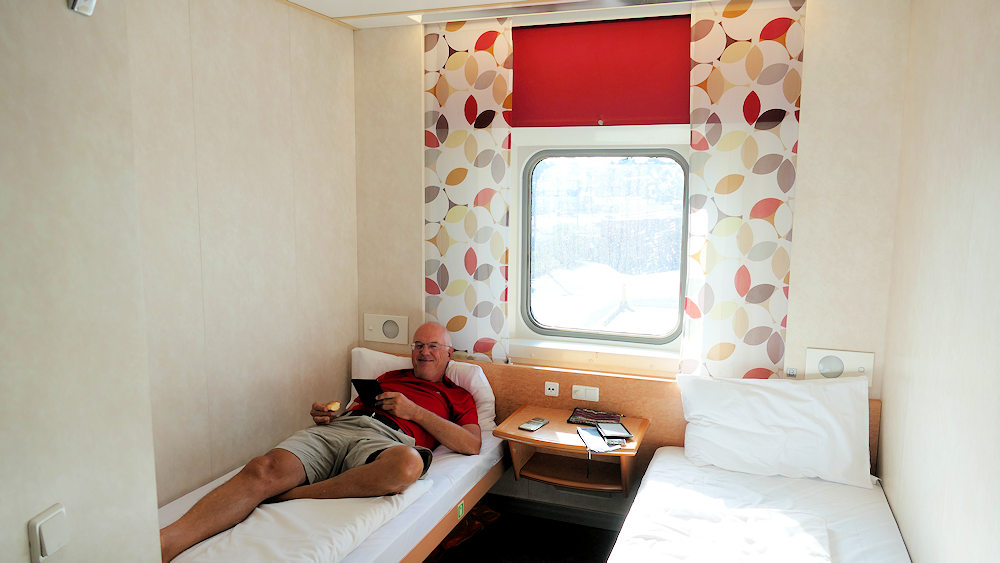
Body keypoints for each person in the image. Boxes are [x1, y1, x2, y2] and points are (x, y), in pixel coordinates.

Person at [159, 322, 481, 562]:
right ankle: (164, 543)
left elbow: (471, 444)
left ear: (449, 353)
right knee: (262, 468)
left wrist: (415, 412)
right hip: (341, 428)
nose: (424, 352)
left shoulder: (458, 395)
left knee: (408, 465)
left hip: (388, 440)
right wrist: (327, 415)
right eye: (418, 345)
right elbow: (356, 407)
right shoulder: (389, 377)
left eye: (433, 346)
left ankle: (293, 495)